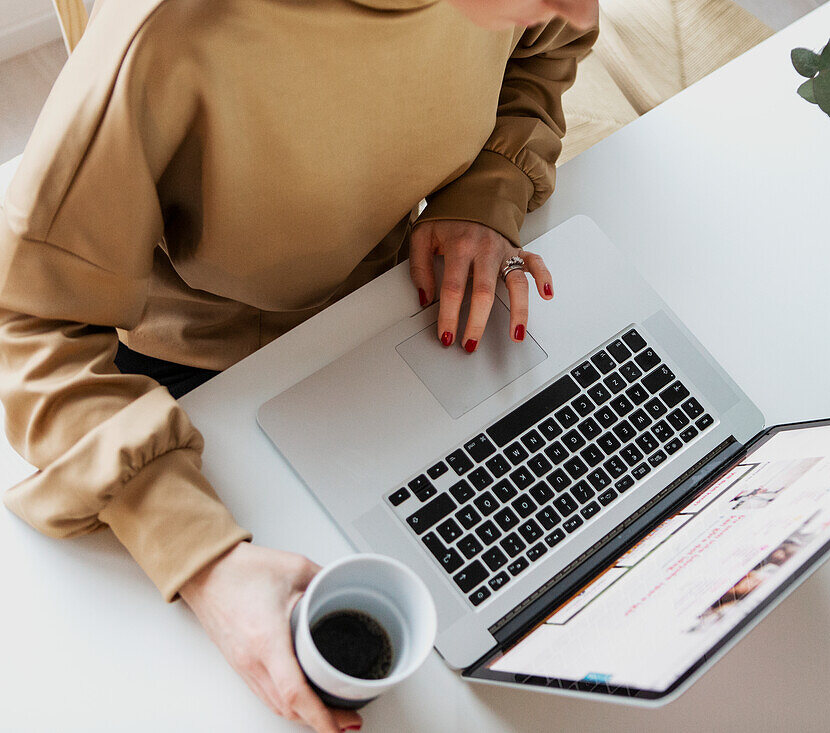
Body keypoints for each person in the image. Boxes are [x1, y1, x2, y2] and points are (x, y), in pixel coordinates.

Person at [0, 0, 598, 730]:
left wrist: (486, 190)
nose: (586, 4)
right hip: (197, 375)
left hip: (393, 302)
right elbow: (28, 322)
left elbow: (553, 46)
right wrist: (204, 562)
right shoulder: (168, 32)